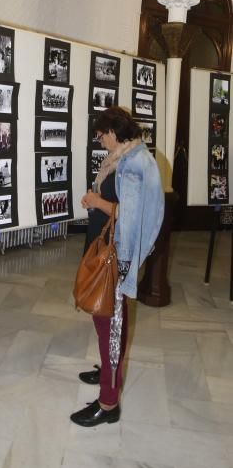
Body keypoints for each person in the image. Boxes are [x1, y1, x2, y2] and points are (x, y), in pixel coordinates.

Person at [71, 106, 164, 428]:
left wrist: (97, 203)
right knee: (104, 320)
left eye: (100, 136)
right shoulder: (125, 157)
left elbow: (132, 215)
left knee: (110, 324)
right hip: (105, 249)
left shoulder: (135, 163)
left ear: (114, 131)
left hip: (116, 255)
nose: (100, 143)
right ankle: (109, 370)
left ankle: (108, 403)